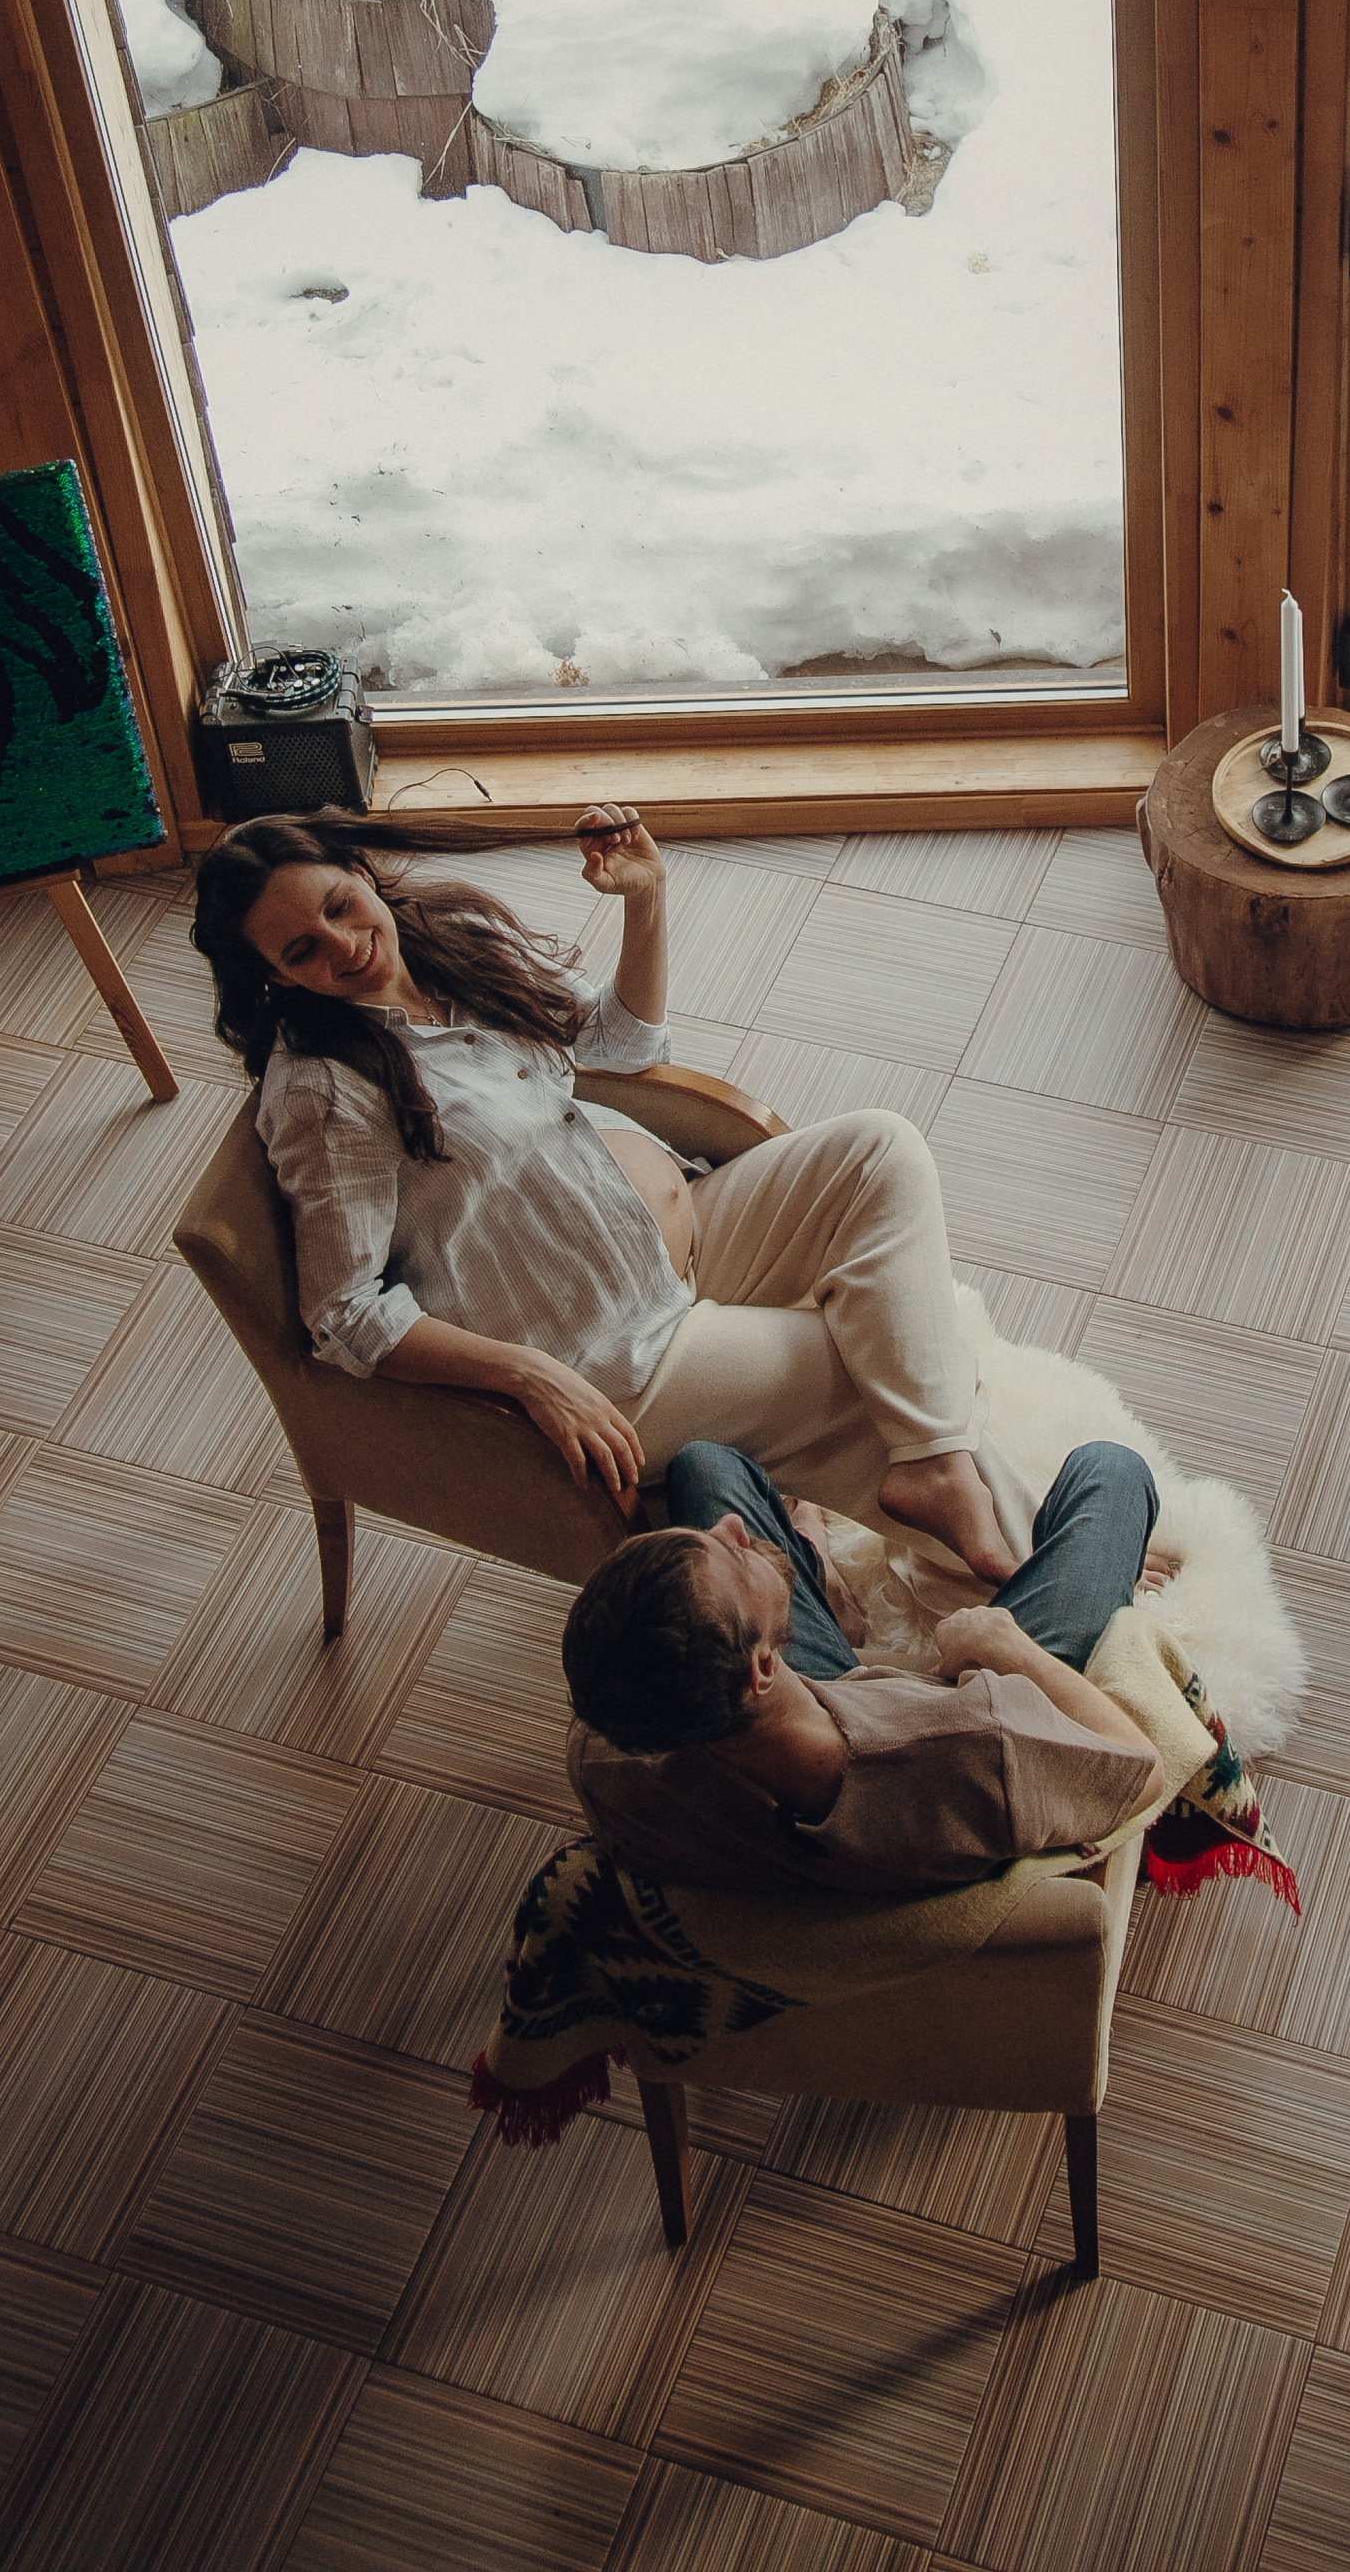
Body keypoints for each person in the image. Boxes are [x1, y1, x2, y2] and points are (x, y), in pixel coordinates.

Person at [192, 805, 1033, 1585]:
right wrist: (529, 1378)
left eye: (338, 906)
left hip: (676, 1243)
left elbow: (619, 1046)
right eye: (300, 950)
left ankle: (939, 1465)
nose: (340, 946)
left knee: (878, 1149)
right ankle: (1040, 1568)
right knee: (856, 1370)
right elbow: (342, 1313)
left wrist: (646, 899)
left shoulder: (449, 940)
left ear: (364, 872)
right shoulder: (322, 1093)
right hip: (618, 1356)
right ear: (274, 978)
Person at [561, 1435, 1167, 1894]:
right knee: (1111, 1470)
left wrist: (740, 1581)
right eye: (736, 1559)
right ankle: (1091, 1575)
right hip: (911, 1727)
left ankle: (825, 1583)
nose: (732, 1527)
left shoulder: (605, 1754)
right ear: (763, 1667)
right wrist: (1004, 1645)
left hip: (802, 1721)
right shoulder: (977, 1740)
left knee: (703, 1465)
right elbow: (1142, 1773)